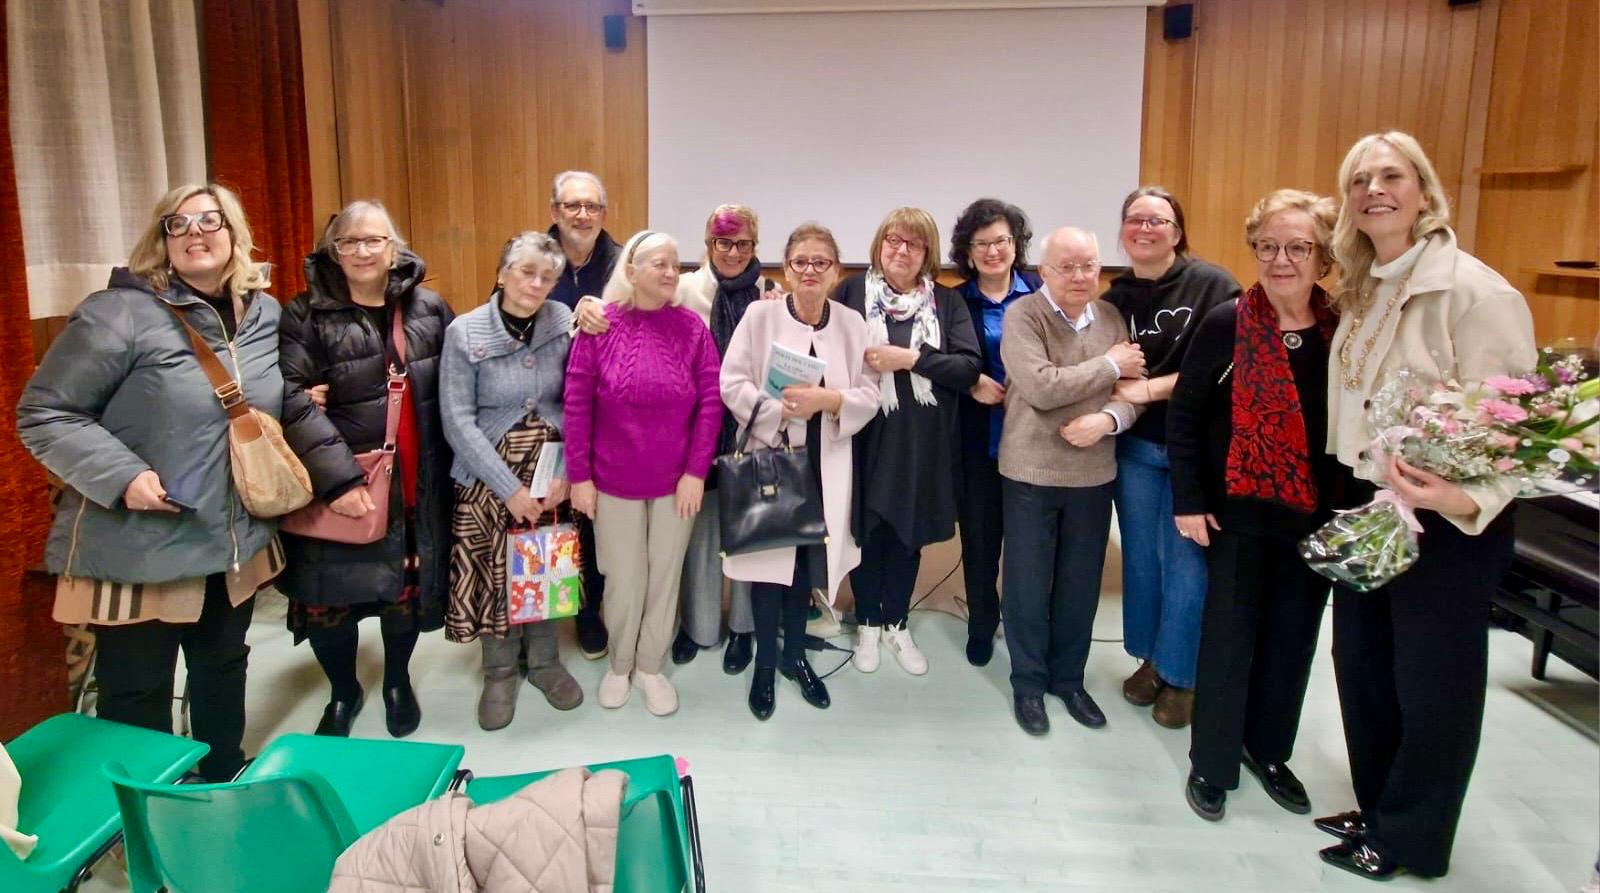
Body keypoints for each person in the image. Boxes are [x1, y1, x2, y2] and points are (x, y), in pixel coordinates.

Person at [1316, 132, 1535, 881]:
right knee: (1364, 666)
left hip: (1444, 522)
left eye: (1391, 176)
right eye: (1360, 180)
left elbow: (1518, 426)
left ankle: (1415, 838)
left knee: (1432, 685)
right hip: (1373, 505)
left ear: (1424, 191)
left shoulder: (1474, 290)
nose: (1374, 189)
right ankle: (1380, 807)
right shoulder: (1365, 284)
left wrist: (1463, 495)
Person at [17, 183, 284, 781]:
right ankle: (143, 817)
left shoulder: (266, 314)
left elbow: (271, 401)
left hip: (232, 539)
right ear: (161, 240)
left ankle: (223, 784)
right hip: (140, 541)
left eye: (209, 221)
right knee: (137, 693)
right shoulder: (118, 313)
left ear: (235, 234)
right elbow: (44, 413)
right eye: (177, 224)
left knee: (222, 668)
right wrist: (125, 477)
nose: (195, 233)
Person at [1166, 189, 1349, 822]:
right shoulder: (1226, 321)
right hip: (1236, 514)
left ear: (1323, 256)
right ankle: (1212, 762)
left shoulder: (1342, 327)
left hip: (1315, 516)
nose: (1280, 260)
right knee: (1228, 640)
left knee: (1292, 640)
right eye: (1268, 246)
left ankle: (1268, 751)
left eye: (1298, 247)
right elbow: (1185, 415)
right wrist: (1187, 499)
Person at [278, 200, 455, 739]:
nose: (361, 251)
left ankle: (396, 680)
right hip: (337, 482)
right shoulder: (303, 312)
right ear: (333, 250)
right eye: (348, 241)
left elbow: (456, 384)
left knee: (401, 594)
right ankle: (343, 690)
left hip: (412, 480)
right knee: (329, 597)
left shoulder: (429, 308)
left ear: (394, 246)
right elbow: (291, 398)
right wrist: (339, 481)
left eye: (373, 239)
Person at [576, 204, 777, 673]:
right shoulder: (683, 288)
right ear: (707, 245)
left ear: (754, 248)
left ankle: (742, 632)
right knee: (696, 546)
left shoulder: (769, 295)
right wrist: (586, 308)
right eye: (723, 242)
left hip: (746, 434)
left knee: (745, 539)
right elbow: (622, 301)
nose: (732, 252)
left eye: (743, 244)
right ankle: (697, 628)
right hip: (687, 445)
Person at [720, 223, 879, 719]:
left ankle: (794, 659)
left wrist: (830, 399)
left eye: (820, 262)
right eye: (799, 262)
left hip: (825, 463)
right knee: (771, 570)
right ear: (785, 269)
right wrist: (780, 412)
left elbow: (870, 394)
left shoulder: (853, 323)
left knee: (804, 571)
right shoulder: (760, 315)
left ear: (836, 271)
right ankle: (766, 666)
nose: (809, 271)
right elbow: (731, 382)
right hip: (774, 459)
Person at [563, 231, 722, 717]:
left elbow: (711, 405)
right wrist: (581, 477)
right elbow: (576, 404)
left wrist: (696, 472)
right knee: (623, 578)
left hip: (677, 483)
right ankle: (620, 664)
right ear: (631, 272)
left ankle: (650, 666)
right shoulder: (600, 326)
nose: (672, 272)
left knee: (664, 575)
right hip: (612, 482)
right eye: (659, 264)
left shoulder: (693, 328)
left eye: (676, 264)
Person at [1102, 186, 1241, 729]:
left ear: (1177, 231)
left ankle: (1183, 675)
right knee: (1141, 559)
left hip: (1195, 453)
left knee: (1187, 564)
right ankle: (1152, 659)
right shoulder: (1112, 300)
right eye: (1134, 219)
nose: (1145, 228)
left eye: (1157, 220)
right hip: (1134, 448)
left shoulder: (1215, 286)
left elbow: (1227, 371)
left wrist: (1150, 390)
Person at [998, 228, 1142, 735]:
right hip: (1031, 471)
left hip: (1094, 473)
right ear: (1044, 272)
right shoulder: (1024, 315)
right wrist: (1107, 364)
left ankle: (1069, 680)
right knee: (1028, 583)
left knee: (1081, 585)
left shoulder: (1110, 318)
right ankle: (1029, 684)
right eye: (1068, 267)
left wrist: (1109, 421)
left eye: (1090, 266)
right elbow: (1041, 387)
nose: (1081, 277)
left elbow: (1132, 391)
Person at [439, 232, 584, 731]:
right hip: (488, 479)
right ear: (502, 273)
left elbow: (577, 401)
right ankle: (499, 671)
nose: (537, 284)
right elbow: (456, 419)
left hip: (552, 473)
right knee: (494, 577)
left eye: (547, 277)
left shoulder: (564, 323)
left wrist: (566, 471)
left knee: (544, 570)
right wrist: (509, 489)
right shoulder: (464, 331)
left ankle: (544, 663)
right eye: (526, 272)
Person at [835, 208, 981, 676]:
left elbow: (965, 369)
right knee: (866, 529)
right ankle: (869, 623)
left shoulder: (947, 303)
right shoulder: (852, 292)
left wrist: (910, 358)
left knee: (907, 533)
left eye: (913, 245)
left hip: (922, 442)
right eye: (893, 241)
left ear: (927, 255)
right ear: (879, 245)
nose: (901, 251)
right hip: (862, 435)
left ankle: (897, 620)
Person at [949, 198, 1041, 667]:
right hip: (977, 442)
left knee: (1028, 548)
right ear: (967, 251)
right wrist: (971, 382)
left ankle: (1026, 628)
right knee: (981, 542)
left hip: (1035, 442)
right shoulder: (954, 300)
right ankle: (982, 622)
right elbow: (943, 365)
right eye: (981, 243)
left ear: (1016, 245)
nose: (992, 251)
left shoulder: (1041, 292)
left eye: (1001, 241)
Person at [545, 170, 620, 659]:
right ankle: (552, 619)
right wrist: (567, 320)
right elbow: (504, 312)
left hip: (604, 413)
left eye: (592, 206)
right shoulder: (531, 256)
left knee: (593, 519)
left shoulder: (621, 262)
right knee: (552, 518)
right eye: (573, 205)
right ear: (554, 211)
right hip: (547, 408)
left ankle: (590, 612)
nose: (583, 215)